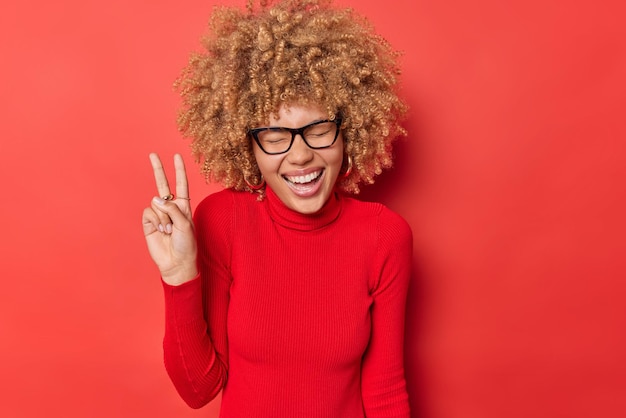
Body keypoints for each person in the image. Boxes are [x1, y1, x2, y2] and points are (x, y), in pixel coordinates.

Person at [142, 0, 412, 416]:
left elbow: (385, 391)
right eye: (274, 135)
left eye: (318, 129)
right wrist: (179, 275)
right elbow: (198, 390)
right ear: (248, 145)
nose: (300, 155)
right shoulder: (222, 221)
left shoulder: (384, 236)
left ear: (348, 131)